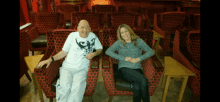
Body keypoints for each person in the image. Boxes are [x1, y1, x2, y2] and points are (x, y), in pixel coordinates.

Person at [36, 20, 103, 102]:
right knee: (64, 89)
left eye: (87, 28)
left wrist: (94, 53)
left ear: (90, 29)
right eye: (82, 28)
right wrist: (50, 59)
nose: (85, 30)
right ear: (77, 29)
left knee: (77, 89)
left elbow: (100, 49)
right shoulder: (72, 36)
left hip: (82, 70)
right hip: (67, 68)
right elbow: (63, 52)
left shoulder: (93, 36)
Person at [105, 24, 154, 102]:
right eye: (122, 33)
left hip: (137, 68)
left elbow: (151, 51)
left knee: (137, 87)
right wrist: (124, 58)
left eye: (126, 31)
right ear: (120, 35)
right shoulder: (119, 43)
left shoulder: (138, 41)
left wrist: (138, 59)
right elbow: (108, 51)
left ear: (130, 31)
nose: (125, 34)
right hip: (124, 68)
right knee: (144, 80)